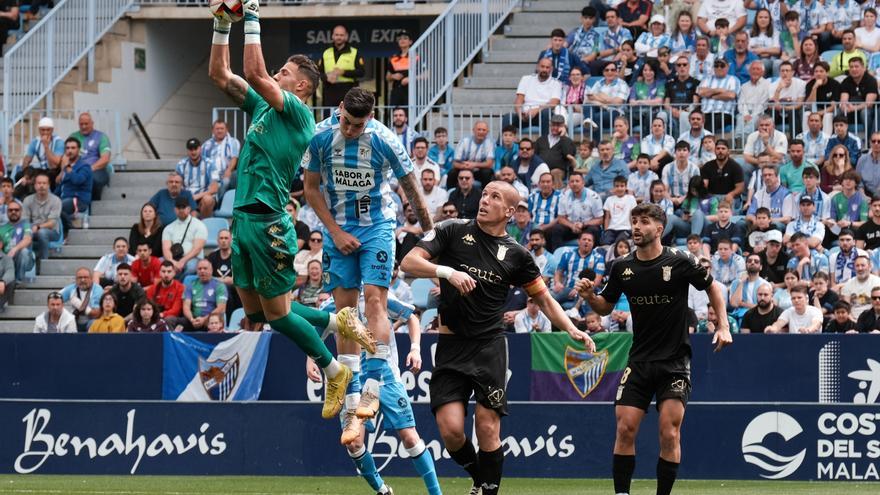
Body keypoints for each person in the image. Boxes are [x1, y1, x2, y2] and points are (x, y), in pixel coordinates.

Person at [209, 8, 366, 420]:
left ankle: (334, 370)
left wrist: (253, 13)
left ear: (300, 85)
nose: (274, 74)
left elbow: (253, 69)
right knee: (257, 314)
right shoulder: (264, 107)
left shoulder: (298, 112)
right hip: (242, 220)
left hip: (267, 222)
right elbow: (221, 75)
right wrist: (222, 22)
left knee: (278, 315)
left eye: (283, 71)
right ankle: (337, 323)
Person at [401, 179, 594, 495]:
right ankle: (480, 478)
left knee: (488, 427)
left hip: (489, 347)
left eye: (495, 197)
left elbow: (544, 299)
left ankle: (488, 489)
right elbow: (409, 262)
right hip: (450, 345)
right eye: (485, 194)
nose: (485, 200)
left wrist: (571, 328)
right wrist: (447, 273)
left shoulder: (517, 255)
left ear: (510, 211)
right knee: (450, 431)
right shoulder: (452, 230)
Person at [577, 202, 730, 495]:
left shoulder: (680, 260)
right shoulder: (622, 266)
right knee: (624, 429)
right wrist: (589, 297)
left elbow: (712, 287)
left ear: (659, 229)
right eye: (634, 221)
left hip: (674, 361)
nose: (636, 227)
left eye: (644, 221)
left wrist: (723, 326)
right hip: (639, 360)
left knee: (669, 432)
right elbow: (605, 306)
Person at [503, 58, 562, 136]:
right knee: (508, 117)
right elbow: (518, 101)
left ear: (551, 69)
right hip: (525, 115)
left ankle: (544, 145)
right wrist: (520, 114)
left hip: (542, 116)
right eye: (542, 66)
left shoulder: (556, 83)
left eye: (547, 67)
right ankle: (501, 145)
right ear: (537, 67)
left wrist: (536, 110)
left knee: (546, 112)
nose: (544, 69)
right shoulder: (526, 79)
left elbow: (554, 103)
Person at [550, 171, 603, 250]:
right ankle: (558, 255)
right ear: (569, 184)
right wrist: (571, 226)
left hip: (587, 226)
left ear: (583, 183)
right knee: (556, 229)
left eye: (577, 181)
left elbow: (600, 219)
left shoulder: (594, 197)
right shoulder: (564, 196)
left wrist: (584, 224)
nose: (574, 184)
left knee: (594, 230)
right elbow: (561, 218)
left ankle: (593, 255)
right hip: (571, 226)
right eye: (572, 181)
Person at [316, 25, 365, 109]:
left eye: (341, 35)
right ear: (332, 36)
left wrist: (344, 72)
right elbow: (318, 73)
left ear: (346, 37)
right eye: (336, 35)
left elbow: (361, 72)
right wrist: (326, 77)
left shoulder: (354, 52)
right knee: (330, 119)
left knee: (348, 118)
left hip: (348, 91)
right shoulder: (326, 53)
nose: (339, 37)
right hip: (330, 91)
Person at [68, 112, 111, 201]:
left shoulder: (101, 137)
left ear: (92, 123)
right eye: (81, 124)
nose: (83, 126)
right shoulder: (73, 136)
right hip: (77, 169)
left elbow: (105, 158)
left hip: (96, 169)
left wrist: (90, 169)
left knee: (94, 179)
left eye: (86, 124)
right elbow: (66, 156)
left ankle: (93, 204)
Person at [161, 197, 207, 278]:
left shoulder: (199, 225)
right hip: (174, 258)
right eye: (179, 208)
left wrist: (182, 261)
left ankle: (180, 288)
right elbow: (166, 249)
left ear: (189, 209)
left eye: (183, 207)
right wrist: (172, 262)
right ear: (175, 210)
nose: (181, 210)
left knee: (190, 267)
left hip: (193, 258)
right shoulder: (168, 228)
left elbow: (197, 249)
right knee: (159, 262)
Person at [22, 171, 61, 265]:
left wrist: (39, 227)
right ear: (35, 185)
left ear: (48, 185)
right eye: (39, 183)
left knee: (42, 232)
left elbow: (52, 223)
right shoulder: (28, 200)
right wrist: (28, 230)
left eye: (44, 183)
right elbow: (25, 220)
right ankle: (28, 261)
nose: (41, 186)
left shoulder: (56, 200)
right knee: (26, 232)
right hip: (33, 228)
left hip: (52, 232)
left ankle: (44, 262)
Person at [57, 137, 93, 237]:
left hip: (79, 200)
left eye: (73, 148)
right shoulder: (65, 167)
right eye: (67, 148)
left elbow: (78, 180)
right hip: (65, 199)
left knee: (56, 207)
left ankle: (69, 231)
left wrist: (67, 167)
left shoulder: (85, 166)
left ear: (78, 150)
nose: (70, 151)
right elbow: (60, 186)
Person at [176, 138, 219, 218]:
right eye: (190, 149)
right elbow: (178, 186)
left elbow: (214, 189)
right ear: (187, 151)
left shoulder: (210, 164)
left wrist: (196, 197)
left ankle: (205, 224)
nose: (193, 152)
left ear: (200, 149)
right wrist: (188, 198)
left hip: (203, 197)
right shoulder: (181, 164)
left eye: (195, 149)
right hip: (187, 198)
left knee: (208, 200)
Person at [182, 259, 227, 332]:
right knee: (172, 321)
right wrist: (191, 319)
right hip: (194, 320)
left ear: (211, 270)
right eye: (199, 269)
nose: (202, 271)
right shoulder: (190, 285)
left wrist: (205, 319)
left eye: (205, 268)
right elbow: (186, 306)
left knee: (213, 324)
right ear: (196, 271)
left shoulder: (219, 285)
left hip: (211, 320)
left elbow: (221, 308)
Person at [696, 59, 740, 134]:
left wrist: (711, 95)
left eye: (722, 66)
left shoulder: (733, 79)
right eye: (716, 66)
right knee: (695, 119)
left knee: (713, 121)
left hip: (724, 113)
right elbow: (700, 92)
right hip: (705, 112)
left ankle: (706, 140)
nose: (719, 68)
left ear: (727, 67)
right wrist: (719, 90)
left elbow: (731, 95)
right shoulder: (707, 79)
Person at [206, 228, 240, 319]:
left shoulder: (237, 256)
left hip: (235, 289)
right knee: (224, 288)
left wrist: (230, 281)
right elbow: (207, 276)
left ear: (231, 240)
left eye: (226, 238)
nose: (223, 241)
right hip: (214, 288)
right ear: (217, 241)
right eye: (221, 238)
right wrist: (223, 281)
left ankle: (230, 320)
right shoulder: (212, 256)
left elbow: (238, 278)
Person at [534, 115, 577, 188]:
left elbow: (568, 154)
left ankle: (556, 195)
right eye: (553, 125)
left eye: (558, 125)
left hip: (559, 171)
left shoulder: (567, 141)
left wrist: (563, 137)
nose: (555, 128)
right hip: (542, 169)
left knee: (555, 172)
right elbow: (535, 155)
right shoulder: (541, 140)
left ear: (564, 126)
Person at [449, 121, 495, 188]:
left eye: (484, 130)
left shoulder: (490, 142)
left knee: (487, 172)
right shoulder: (464, 141)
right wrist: (465, 166)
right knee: (452, 173)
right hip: (464, 168)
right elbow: (455, 163)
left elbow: (489, 164)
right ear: (473, 130)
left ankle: (485, 194)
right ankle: (451, 194)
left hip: (479, 171)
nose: (481, 132)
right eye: (479, 129)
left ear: (487, 132)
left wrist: (474, 165)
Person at [201, 119, 240, 195]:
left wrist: (229, 170)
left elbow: (234, 158)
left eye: (222, 128)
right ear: (213, 130)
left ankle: (220, 205)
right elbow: (203, 161)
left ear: (226, 130)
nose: (219, 131)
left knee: (225, 183)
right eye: (217, 129)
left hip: (226, 175)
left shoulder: (233, 142)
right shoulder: (206, 145)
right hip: (210, 176)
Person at [60, 267, 102, 332]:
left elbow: (96, 314)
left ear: (91, 279)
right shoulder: (72, 288)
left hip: (90, 321)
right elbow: (54, 298)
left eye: (85, 277)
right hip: (74, 321)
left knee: (94, 323)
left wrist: (78, 304)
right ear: (76, 280)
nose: (82, 280)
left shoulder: (97, 289)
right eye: (80, 277)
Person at [145, 261, 186, 329]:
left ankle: (170, 339)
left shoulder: (180, 288)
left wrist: (162, 314)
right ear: (159, 273)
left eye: (169, 271)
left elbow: (176, 310)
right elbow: (148, 307)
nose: (166, 275)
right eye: (163, 271)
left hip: (174, 318)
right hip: (156, 315)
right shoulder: (152, 289)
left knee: (168, 319)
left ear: (174, 273)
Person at [21, 117, 64, 181]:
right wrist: (26, 174)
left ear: (52, 130)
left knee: (51, 175)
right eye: (43, 130)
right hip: (42, 170)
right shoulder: (35, 141)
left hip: (55, 171)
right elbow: (27, 160)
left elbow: (54, 165)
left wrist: (46, 146)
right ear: (39, 130)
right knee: (20, 175)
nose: (45, 132)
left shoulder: (58, 142)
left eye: (48, 130)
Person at [386, 30, 412, 107]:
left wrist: (411, 79)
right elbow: (387, 77)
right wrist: (393, 76)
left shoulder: (416, 56)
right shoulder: (393, 58)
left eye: (405, 38)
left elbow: (426, 74)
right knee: (394, 114)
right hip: (396, 92)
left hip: (411, 92)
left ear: (410, 42)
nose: (402, 40)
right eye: (400, 39)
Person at [857, 132, 880, 197]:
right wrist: (863, 196)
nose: (876, 143)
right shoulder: (862, 159)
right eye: (873, 141)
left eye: (879, 141)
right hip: (866, 194)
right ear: (870, 143)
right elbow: (858, 181)